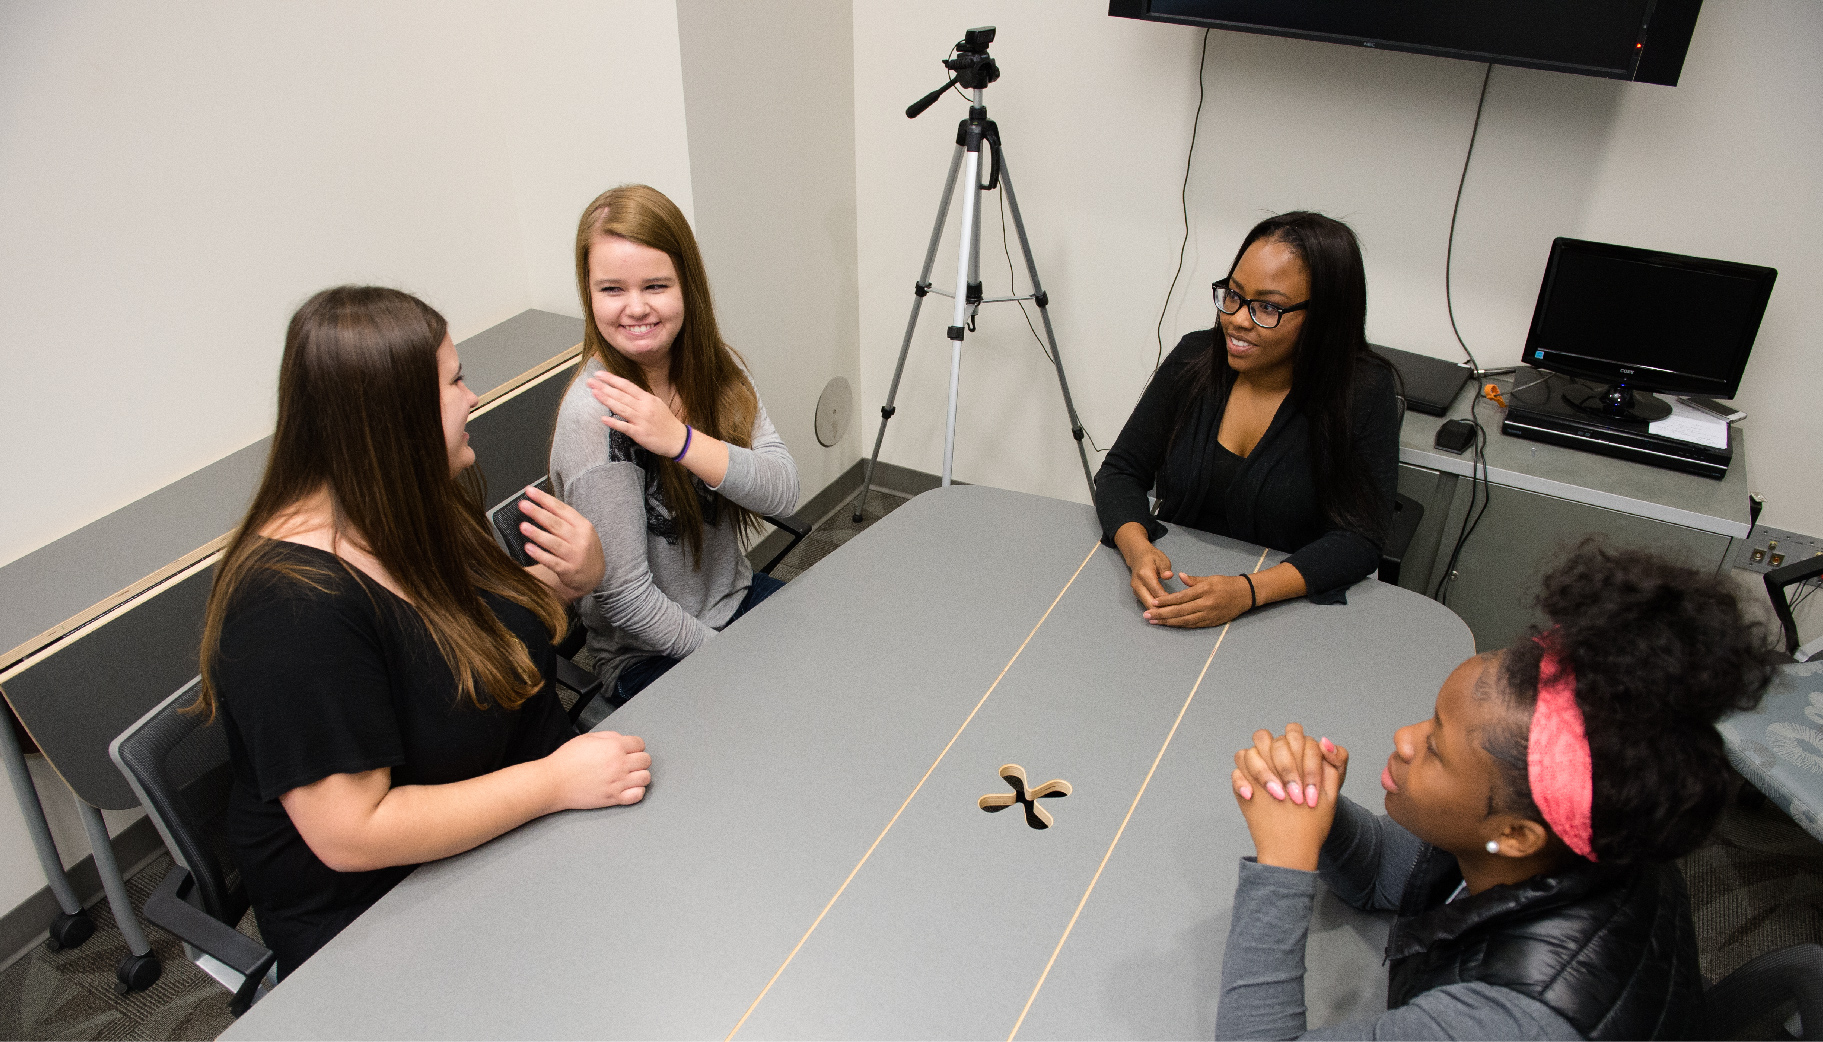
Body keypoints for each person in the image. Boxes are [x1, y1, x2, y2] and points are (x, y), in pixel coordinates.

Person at [198, 286, 653, 979]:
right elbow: (354, 834)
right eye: (454, 381)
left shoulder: (410, 504)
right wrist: (552, 785)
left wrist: (568, 583)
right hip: (390, 912)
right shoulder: (290, 610)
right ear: (392, 415)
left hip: (519, 823)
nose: (471, 397)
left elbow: (471, 646)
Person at [1216, 542, 1775, 1039]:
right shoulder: (1581, 817)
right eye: (1430, 721)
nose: (1404, 740)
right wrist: (1318, 809)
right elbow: (1388, 875)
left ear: (1513, 834)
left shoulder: (1511, 1022)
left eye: (1435, 746)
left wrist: (1284, 863)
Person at [550, 184, 799, 703]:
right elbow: (627, 600)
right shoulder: (594, 416)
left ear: (687, 285)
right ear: (588, 293)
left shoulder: (714, 370)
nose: (635, 308)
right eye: (612, 290)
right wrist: (734, 661)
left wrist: (680, 441)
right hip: (649, 654)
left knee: (845, 669)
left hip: (736, 599)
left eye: (656, 286)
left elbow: (782, 492)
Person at [1094, 211, 1399, 628]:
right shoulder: (1194, 358)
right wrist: (1137, 550)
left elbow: (1360, 539)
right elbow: (1120, 473)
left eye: (1268, 307)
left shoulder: (1363, 391)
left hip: (1286, 609)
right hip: (1177, 590)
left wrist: (1248, 592)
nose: (1237, 319)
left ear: (1323, 316)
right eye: (1233, 295)